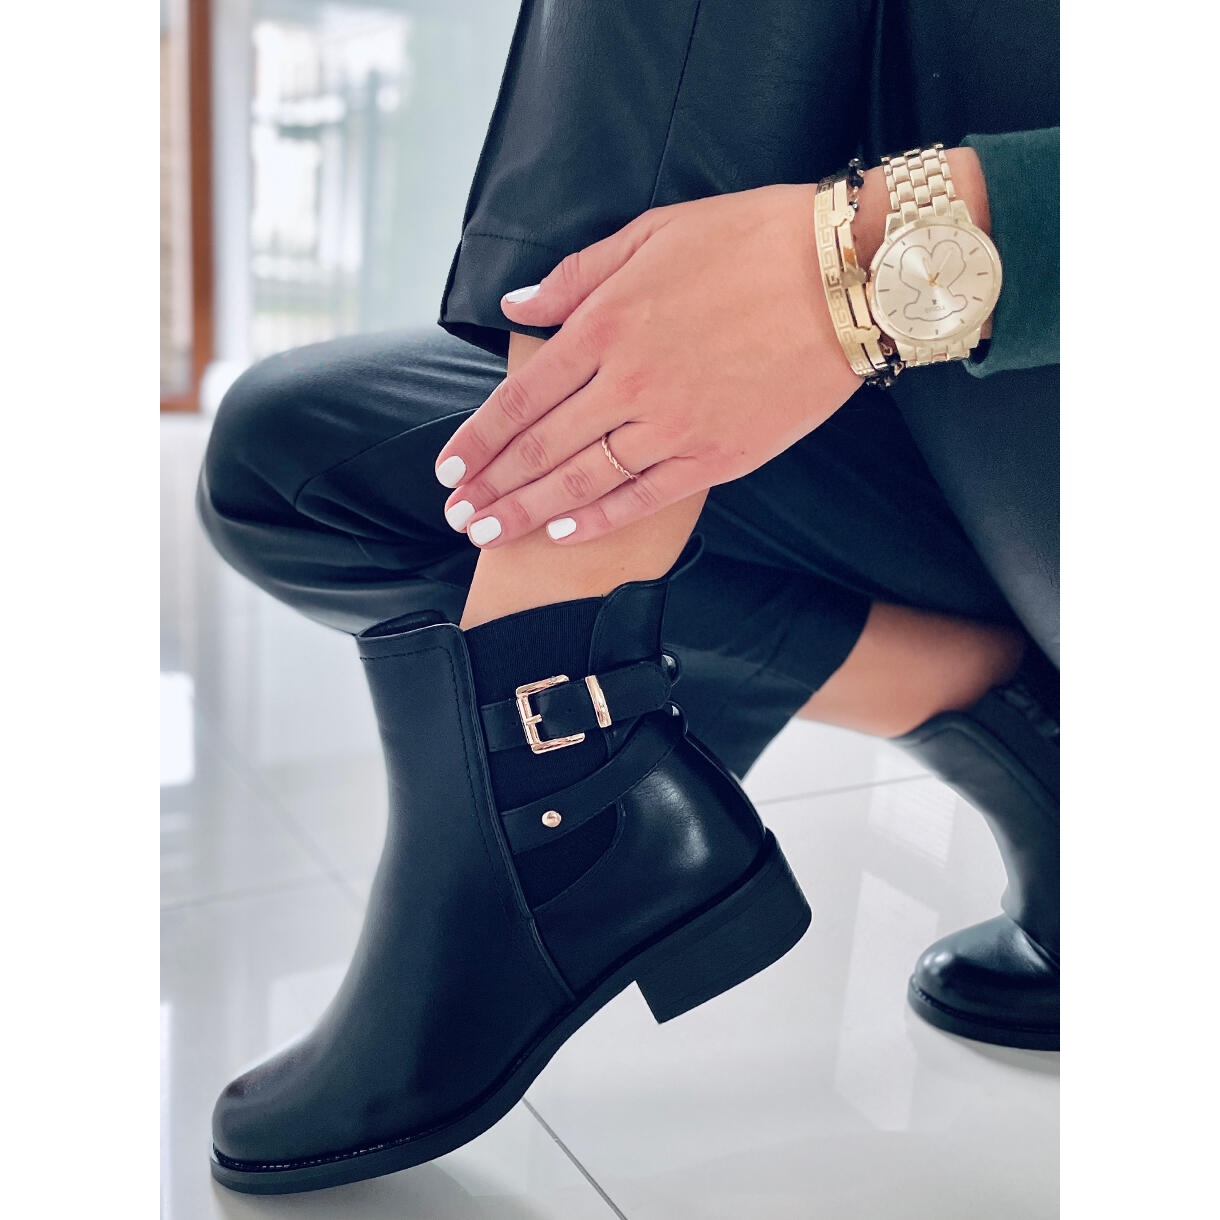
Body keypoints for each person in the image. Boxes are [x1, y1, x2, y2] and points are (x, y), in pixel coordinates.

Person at [198, 0, 1058, 1195]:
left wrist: (864, 263)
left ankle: (551, 792)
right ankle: (1028, 737)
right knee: (299, 464)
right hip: (976, 422)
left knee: (494, 497)